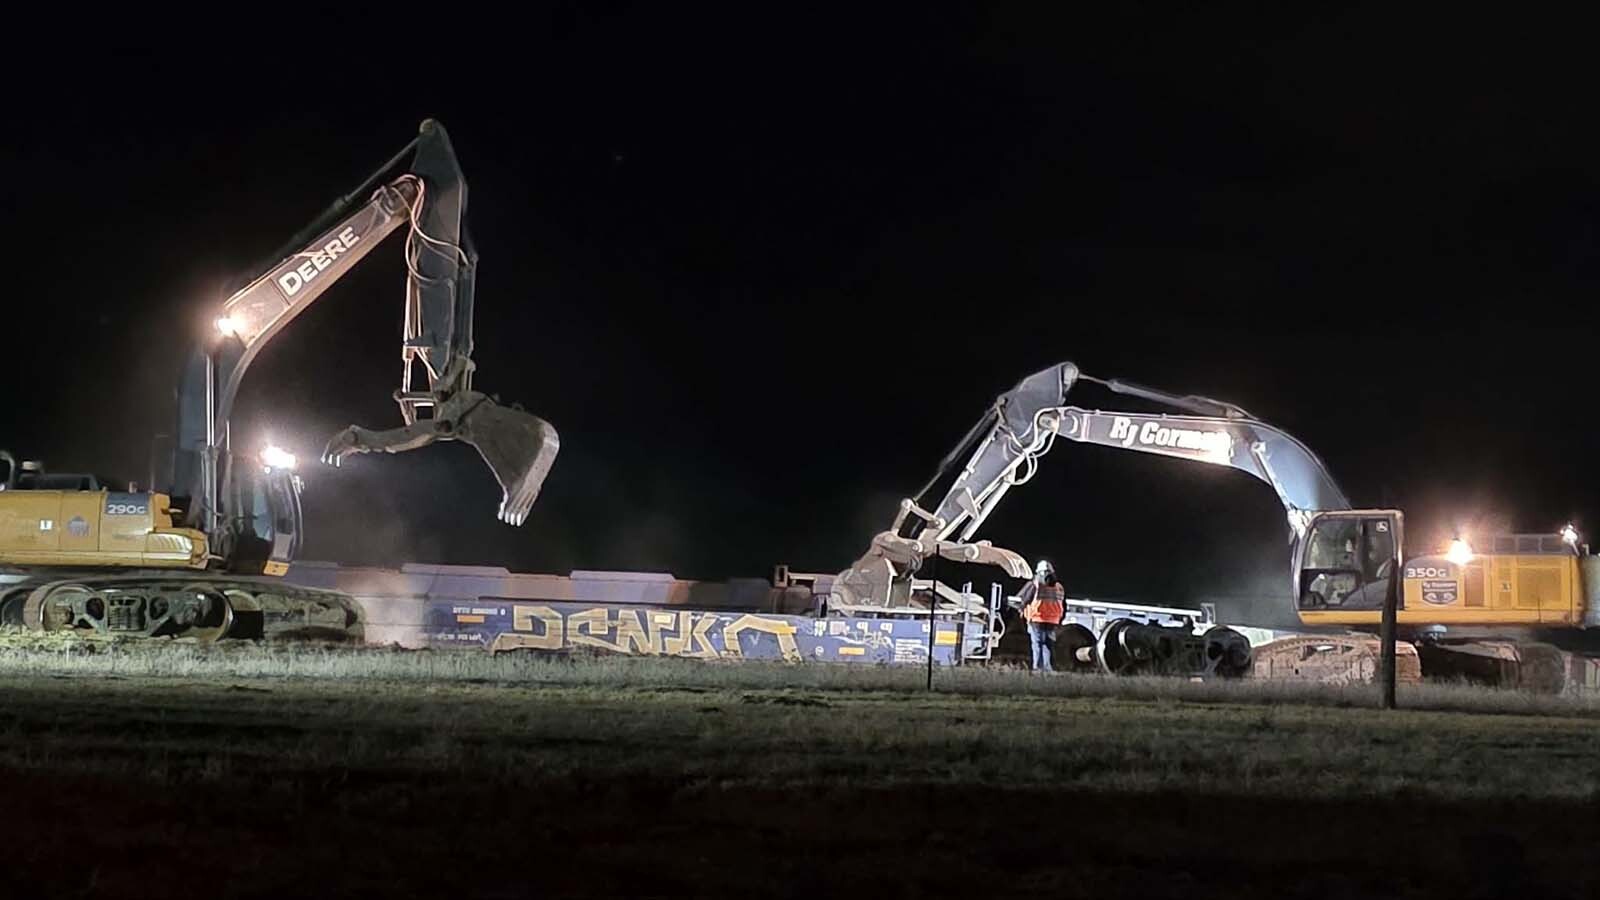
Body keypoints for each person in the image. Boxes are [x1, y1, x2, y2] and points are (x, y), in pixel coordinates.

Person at [1019, 559, 1065, 672]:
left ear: (1039, 572)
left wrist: (1021, 609)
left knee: (1037, 644)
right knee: (1048, 645)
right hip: (1053, 621)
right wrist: (1060, 619)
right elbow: (1064, 605)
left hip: (1037, 619)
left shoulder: (1036, 585)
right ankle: (1047, 668)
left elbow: (1025, 600)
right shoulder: (1059, 587)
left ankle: (1037, 668)